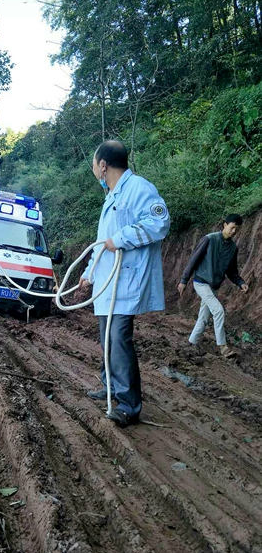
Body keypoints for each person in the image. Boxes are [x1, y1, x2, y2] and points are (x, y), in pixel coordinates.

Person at [79, 140, 170, 428]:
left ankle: (129, 405)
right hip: (107, 282)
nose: (94, 169)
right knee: (107, 337)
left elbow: (160, 223)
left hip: (125, 281)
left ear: (103, 165)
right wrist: (89, 272)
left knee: (118, 339)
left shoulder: (138, 188)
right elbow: (101, 242)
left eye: (94, 164)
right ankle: (110, 386)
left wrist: (119, 240)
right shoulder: (111, 197)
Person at [177, 214, 249, 357]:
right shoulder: (210, 239)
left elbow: (232, 271)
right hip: (201, 282)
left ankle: (191, 343)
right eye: (232, 227)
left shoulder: (233, 248)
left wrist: (241, 283)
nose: (234, 231)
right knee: (218, 311)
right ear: (225, 225)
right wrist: (184, 280)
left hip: (214, 286)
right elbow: (194, 260)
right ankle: (223, 347)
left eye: (237, 229)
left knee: (204, 317)